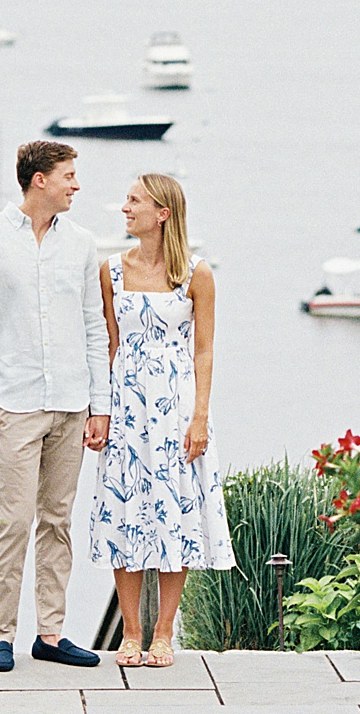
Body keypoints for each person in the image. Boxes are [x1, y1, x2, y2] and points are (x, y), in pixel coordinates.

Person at [0, 141, 110, 673]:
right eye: (68, 175)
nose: (76, 185)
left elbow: (93, 327)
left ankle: (51, 634)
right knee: (14, 521)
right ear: (39, 180)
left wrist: (98, 406)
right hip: (13, 405)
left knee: (58, 520)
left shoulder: (83, 245)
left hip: (70, 403)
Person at [89, 174, 235, 668]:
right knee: (123, 512)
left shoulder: (197, 274)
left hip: (176, 409)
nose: (125, 208)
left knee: (177, 513)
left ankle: (163, 633)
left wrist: (201, 416)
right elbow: (107, 347)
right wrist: (100, 412)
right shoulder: (110, 270)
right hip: (127, 408)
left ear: (163, 213)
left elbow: (205, 350)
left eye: (134, 201)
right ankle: (130, 633)